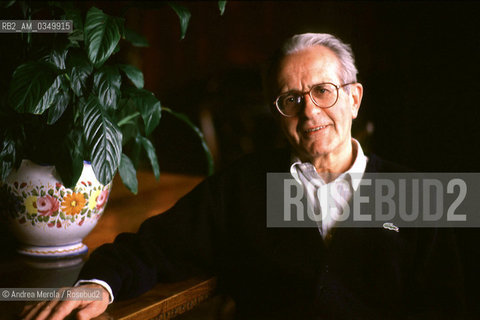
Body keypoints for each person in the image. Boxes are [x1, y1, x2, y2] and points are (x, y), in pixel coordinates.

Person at [21, 33, 465, 320]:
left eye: (323, 91)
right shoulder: (246, 186)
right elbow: (154, 246)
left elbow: (452, 302)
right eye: (290, 98)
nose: (309, 111)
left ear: (354, 98)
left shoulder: (413, 193)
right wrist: (99, 286)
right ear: (278, 113)